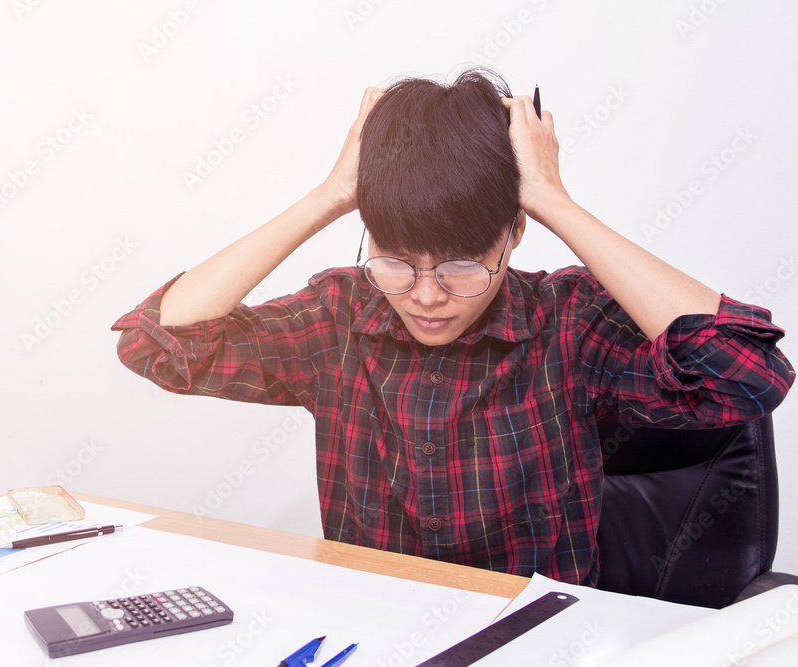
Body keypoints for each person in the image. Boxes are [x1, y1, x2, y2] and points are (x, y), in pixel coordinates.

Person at [112, 68, 794, 585]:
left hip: (536, 641)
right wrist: (332, 195)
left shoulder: (569, 322)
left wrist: (553, 199)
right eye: (396, 262)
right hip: (378, 633)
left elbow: (749, 372)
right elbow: (156, 345)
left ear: (514, 233)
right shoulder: (339, 316)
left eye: (463, 267)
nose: (427, 296)